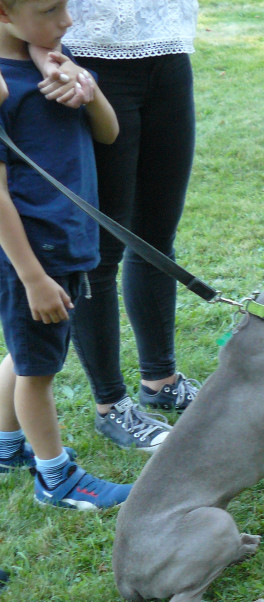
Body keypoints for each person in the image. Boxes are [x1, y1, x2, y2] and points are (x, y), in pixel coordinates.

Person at [43, 0, 200, 451]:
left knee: (155, 240)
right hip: (84, 62)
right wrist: (51, 57)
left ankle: (161, 380)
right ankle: (111, 406)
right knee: (99, 252)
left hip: (170, 57)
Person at [0, 0, 132, 508]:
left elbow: (109, 133)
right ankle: (57, 478)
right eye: (51, 10)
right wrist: (32, 276)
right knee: (38, 371)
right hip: (35, 250)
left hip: (65, 237)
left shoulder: (55, 63)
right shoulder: (5, 87)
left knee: (26, 349)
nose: (68, 21)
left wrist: (88, 90)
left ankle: (8, 446)